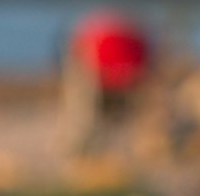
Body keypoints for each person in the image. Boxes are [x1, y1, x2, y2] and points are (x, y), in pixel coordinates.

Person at [61, 9, 153, 155]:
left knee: (79, 82)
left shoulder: (92, 33)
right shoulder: (137, 37)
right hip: (128, 76)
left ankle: (83, 136)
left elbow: (78, 55)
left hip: (102, 75)